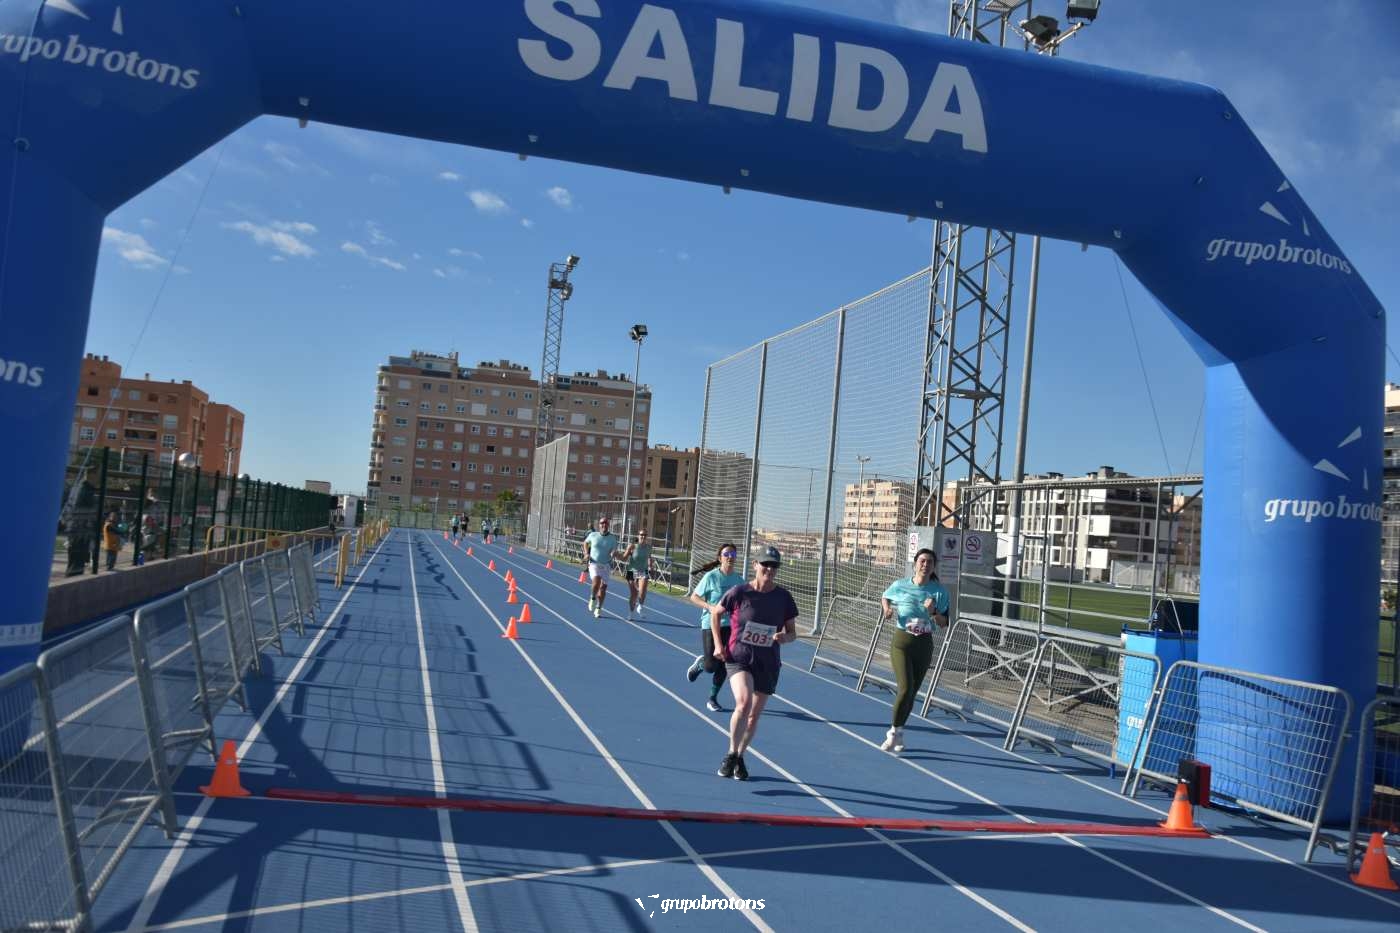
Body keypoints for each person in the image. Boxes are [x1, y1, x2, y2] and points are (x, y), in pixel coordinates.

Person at [712, 546, 798, 781]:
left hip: (768, 662)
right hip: (739, 657)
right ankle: (731, 753)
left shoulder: (783, 597)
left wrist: (785, 638)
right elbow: (716, 614)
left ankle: (740, 756)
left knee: (753, 717)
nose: (769, 569)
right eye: (765, 564)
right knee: (743, 703)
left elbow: (792, 632)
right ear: (755, 565)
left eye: (774, 566)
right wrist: (718, 645)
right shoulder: (739, 592)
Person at [878, 547, 950, 753]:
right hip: (902, 642)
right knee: (905, 688)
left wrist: (933, 611)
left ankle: (899, 732)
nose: (925, 565)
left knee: (912, 693)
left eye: (930, 562)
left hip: (924, 644)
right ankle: (893, 733)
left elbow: (944, 623)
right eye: (922, 561)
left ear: (934, 567)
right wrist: (887, 609)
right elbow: (885, 596)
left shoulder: (940, 591)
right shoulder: (900, 585)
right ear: (915, 564)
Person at [686, 543, 746, 712]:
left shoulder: (739, 581)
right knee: (711, 666)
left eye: (733, 554)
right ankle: (701, 664)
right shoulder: (711, 577)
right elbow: (694, 597)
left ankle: (712, 698)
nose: (730, 557)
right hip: (710, 624)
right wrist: (710, 607)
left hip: (731, 626)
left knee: (726, 663)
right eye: (726, 554)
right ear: (720, 558)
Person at [581, 516, 619, 619]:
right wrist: (586, 553)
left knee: (603, 589)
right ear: (599, 525)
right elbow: (585, 543)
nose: (604, 525)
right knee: (596, 581)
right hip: (594, 563)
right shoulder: (593, 535)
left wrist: (613, 552)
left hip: (606, 565)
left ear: (608, 525)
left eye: (606, 523)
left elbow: (614, 549)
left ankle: (598, 608)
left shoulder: (612, 538)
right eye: (602, 523)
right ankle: (593, 598)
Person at [621, 529, 653, 621]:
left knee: (642, 591)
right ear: (638, 536)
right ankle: (631, 613)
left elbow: (649, 557)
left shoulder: (648, 547)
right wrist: (616, 554)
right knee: (634, 594)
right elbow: (624, 558)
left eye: (645, 535)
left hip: (643, 571)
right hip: (632, 571)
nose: (643, 536)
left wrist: (650, 566)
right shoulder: (632, 546)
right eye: (641, 535)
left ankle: (640, 607)